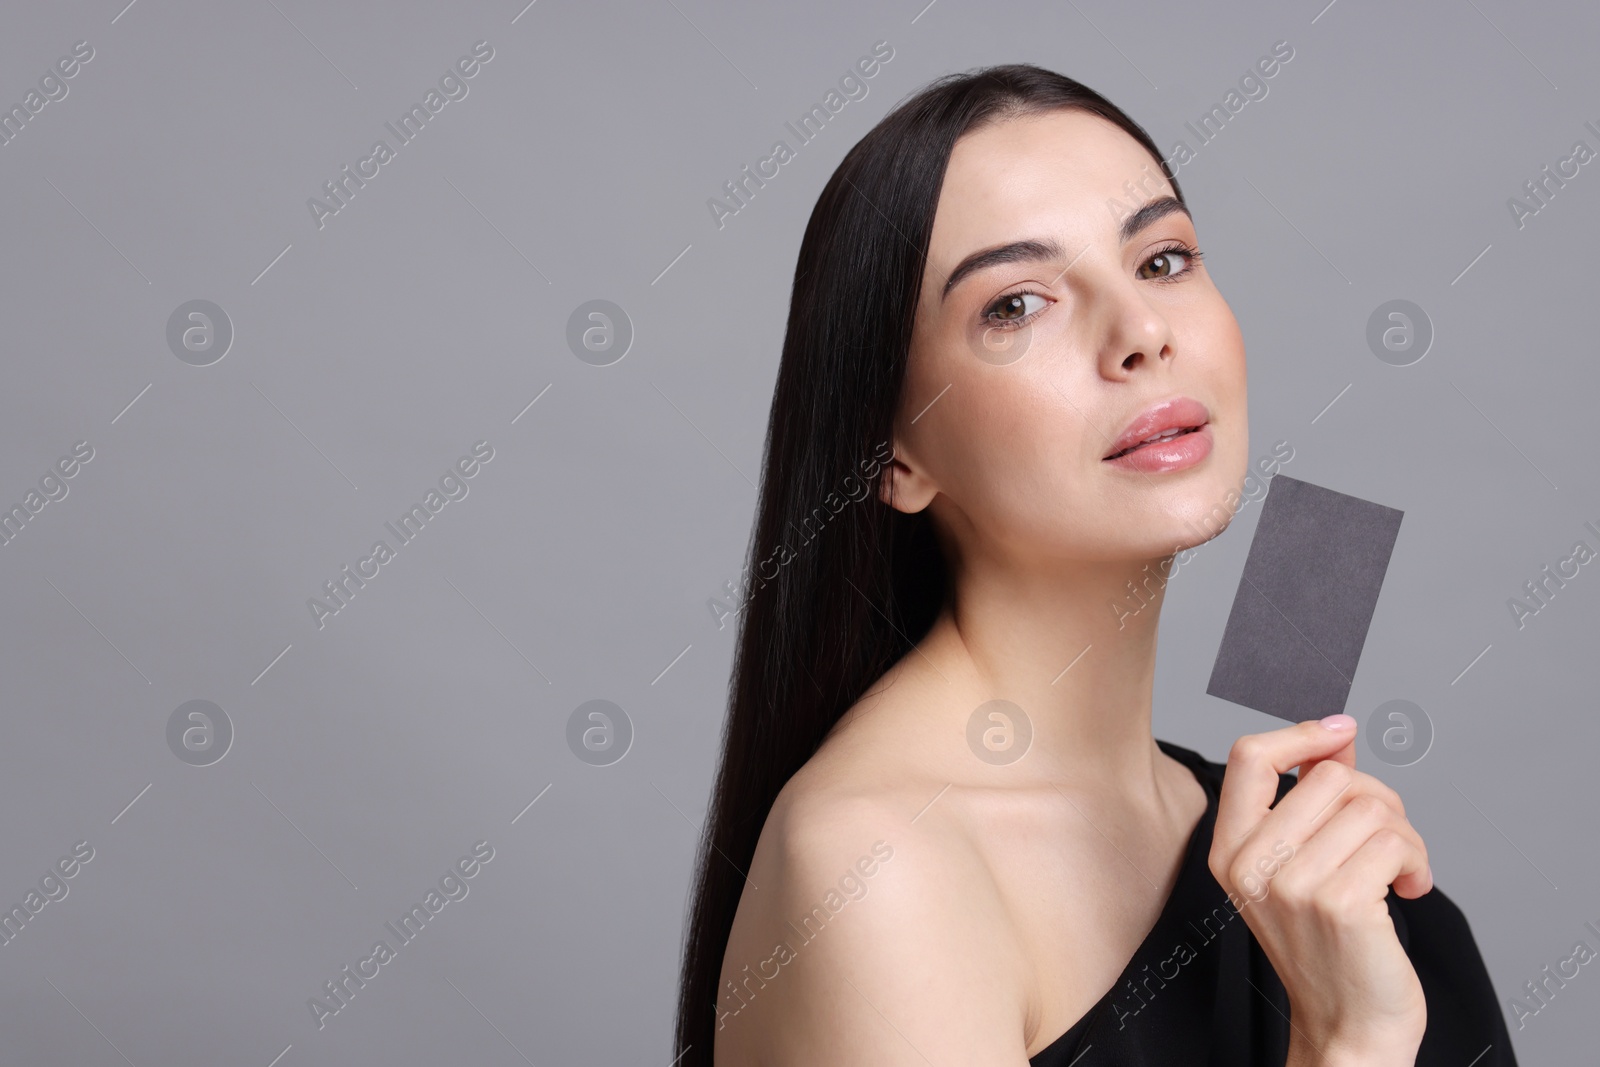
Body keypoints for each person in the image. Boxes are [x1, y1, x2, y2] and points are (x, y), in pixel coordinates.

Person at [675, 63, 1515, 1066]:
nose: (1141, 334)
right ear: (891, 453)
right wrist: (1350, 1043)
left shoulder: (1299, 847)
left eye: (1160, 260)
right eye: (1018, 303)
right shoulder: (872, 867)